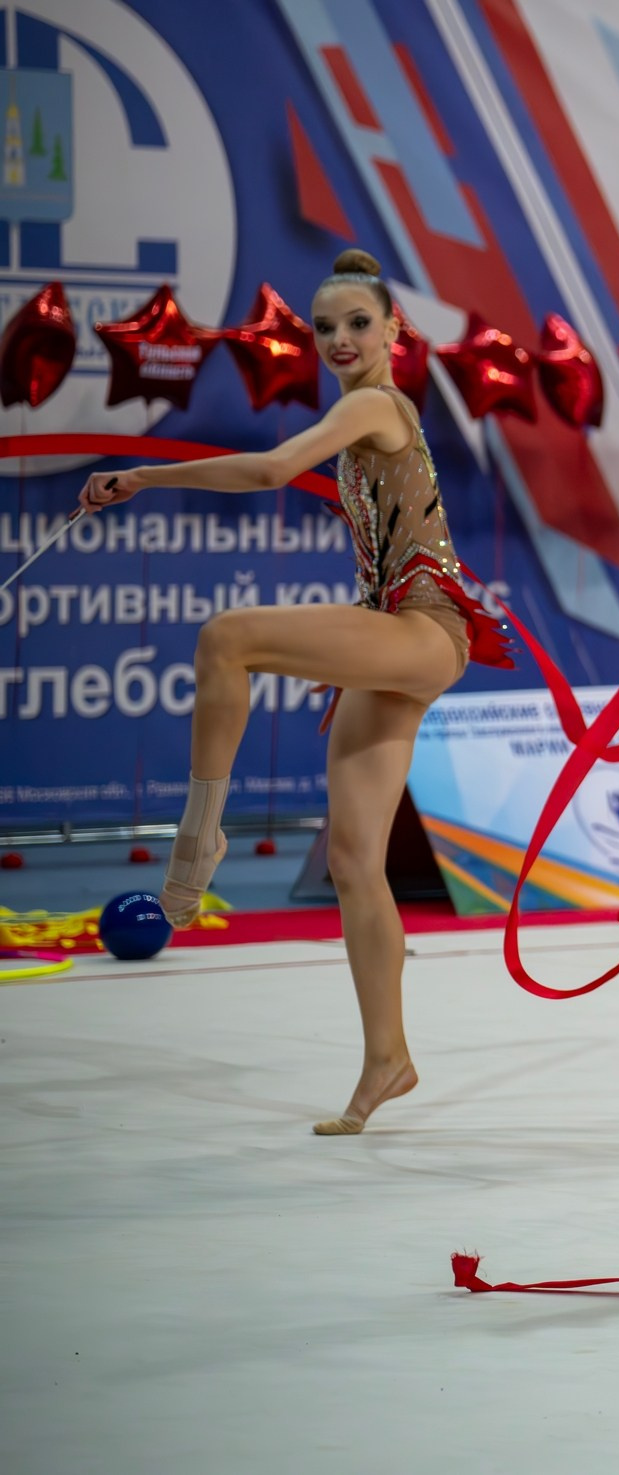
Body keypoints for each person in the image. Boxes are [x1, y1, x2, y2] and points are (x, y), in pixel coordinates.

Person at [76, 249, 509, 1134]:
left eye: (359, 323)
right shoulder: (361, 419)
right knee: (355, 862)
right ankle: (387, 1058)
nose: (341, 339)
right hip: (391, 634)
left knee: (227, 637)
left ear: (394, 330)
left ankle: (198, 839)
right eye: (325, 328)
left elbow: (272, 470)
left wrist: (146, 477)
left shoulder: (374, 404)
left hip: (423, 631)